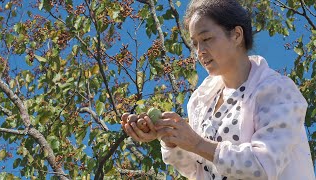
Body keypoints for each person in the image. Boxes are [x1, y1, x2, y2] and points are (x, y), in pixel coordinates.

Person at [121, 0, 315, 179]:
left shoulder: (277, 91)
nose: (200, 51)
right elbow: (197, 169)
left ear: (237, 35)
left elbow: (263, 165)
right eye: (195, 43)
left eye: (207, 39)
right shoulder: (202, 100)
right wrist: (169, 137)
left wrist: (197, 143)